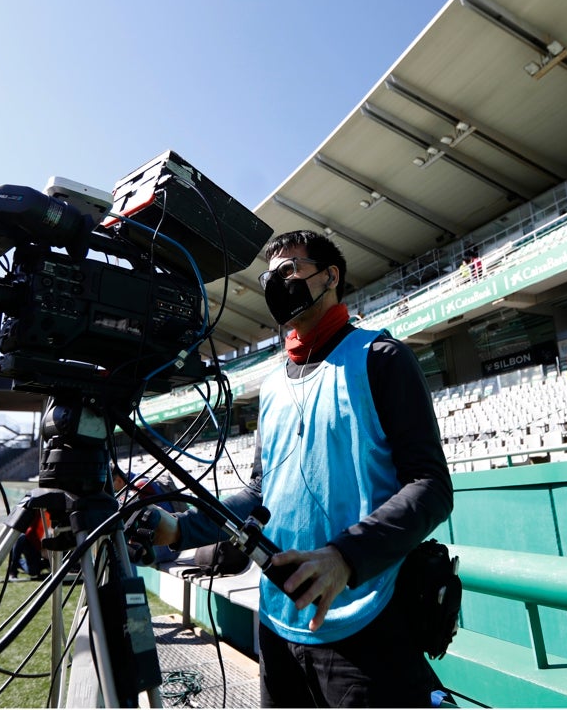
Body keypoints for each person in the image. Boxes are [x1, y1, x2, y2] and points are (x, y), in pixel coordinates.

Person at [147, 229, 454, 707]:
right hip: (277, 621)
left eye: (292, 270)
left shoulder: (382, 358)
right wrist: (178, 529)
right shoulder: (270, 385)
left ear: (331, 276)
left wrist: (344, 558)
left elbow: (431, 486)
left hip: (367, 618)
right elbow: (259, 493)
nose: (277, 283)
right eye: (271, 275)